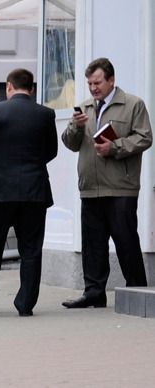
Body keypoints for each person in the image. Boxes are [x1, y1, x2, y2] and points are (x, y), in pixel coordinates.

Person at [60, 58, 152, 309]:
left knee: (125, 240)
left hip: (121, 185)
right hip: (90, 186)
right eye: (89, 83)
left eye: (97, 82)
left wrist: (115, 147)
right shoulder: (84, 108)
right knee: (92, 244)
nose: (93, 88)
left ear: (111, 80)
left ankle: (138, 291)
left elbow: (145, 138)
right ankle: (94, 293)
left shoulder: (133, 104)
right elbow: (69, 143)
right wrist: (76, 129)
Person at [0, 69, 58, 317]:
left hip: (1, 190)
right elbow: (51, 151)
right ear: (31, 88)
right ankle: (25, 304)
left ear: (9, 86)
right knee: (31, 249)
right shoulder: (45, 114)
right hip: (34, 191)